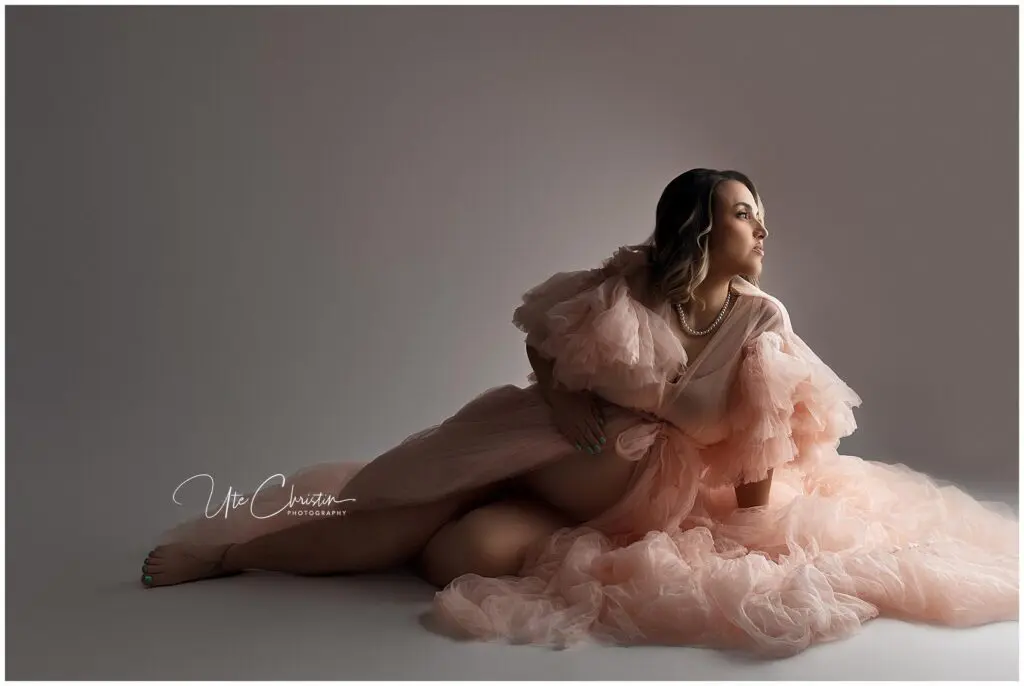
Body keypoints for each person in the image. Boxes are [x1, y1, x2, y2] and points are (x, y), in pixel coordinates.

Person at [140, 168, 1019, 658]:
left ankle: (434, 529)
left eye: (761, 217)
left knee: (456, 562)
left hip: (617, 503)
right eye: (744, 214)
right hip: (531, 445)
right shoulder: (631, 280)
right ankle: (229, 556)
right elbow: (546, 340)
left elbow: (760, 446)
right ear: (698, 228)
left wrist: (755, 540)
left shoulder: (762, 323)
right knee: (404, 510)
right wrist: (562, 400)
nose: (761, 230)